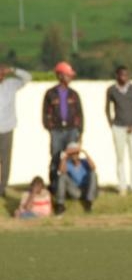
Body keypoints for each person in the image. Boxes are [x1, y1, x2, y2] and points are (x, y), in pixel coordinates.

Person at [43, 61, 83, 192]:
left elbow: (79, 113)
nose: (70, 78)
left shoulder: (74, 94)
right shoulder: (50, 94)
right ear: (60, 76)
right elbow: (45, 113)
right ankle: (54, 185)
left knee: (72, 157)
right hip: (57, 131)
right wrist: (51, 128)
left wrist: (80, 131)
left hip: (72, 130)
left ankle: (72, 186)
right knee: (55, 158)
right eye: (68, 75)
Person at [105, 65, 132, 194]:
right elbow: (107, 108)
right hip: (118, 127)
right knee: (120, 157)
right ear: (117, 75)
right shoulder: (111, 90)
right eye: (121, 75)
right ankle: (122, 186)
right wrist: (111, 123)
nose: (123, 77)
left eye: (125, 75)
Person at [0, 65, 32, 198]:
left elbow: (28, 77)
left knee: (5, 160)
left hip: (7, 128)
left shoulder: (11, 84)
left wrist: (13, 70)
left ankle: (2, 188)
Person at [55, 142, 98, 215]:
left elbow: (93, 167)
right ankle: (60, 205)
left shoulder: (84, 161)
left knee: (93, 174)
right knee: (62, 177)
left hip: (88, 190)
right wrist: (65, 156)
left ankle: (89, 202)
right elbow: (61, 171)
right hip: (76, 191)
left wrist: (85, 152)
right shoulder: (68, 163)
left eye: (76, 153)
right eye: (72, 154)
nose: (74, 155)